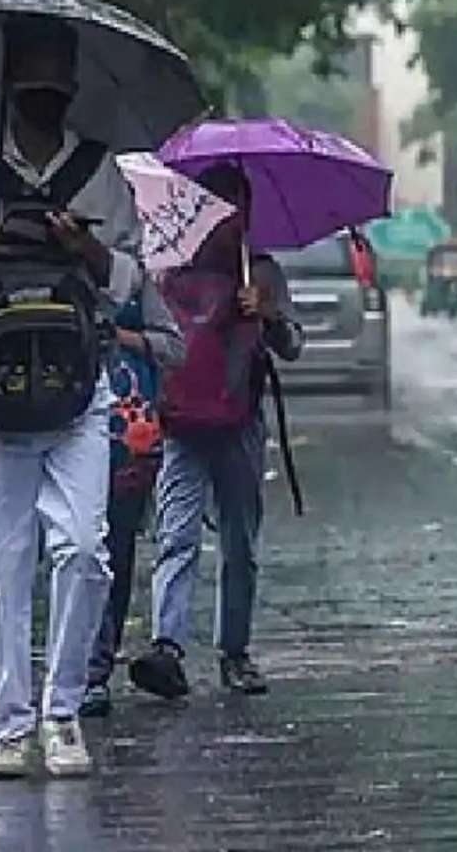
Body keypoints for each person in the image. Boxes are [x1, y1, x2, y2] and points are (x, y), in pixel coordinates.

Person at [0, 16, 143, 778]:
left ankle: (62, 714)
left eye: (56, 87)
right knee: (2, 562)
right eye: (32, 87)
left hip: (79, 388)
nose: (44, 100)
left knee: (85, 549)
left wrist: (90, 251)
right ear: (11, 89)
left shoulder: (100, 175)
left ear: (72, 90)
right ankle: (10, 726)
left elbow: (133, 278)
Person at [129, 162, 303, 700]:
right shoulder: (167, 269)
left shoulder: (263, 272)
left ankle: (234, 651)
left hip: (239, 421)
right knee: (177, 536)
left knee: (237, 543)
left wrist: (268, 315)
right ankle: (168, 647)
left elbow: (292, 345)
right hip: (182, 421)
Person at [79, 272, 184, 718]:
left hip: (128, 439)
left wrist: (120, 336)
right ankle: (70, 667)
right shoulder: (41, 268)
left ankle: (95, 669)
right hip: (59, 422)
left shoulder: (134, 278)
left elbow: (173, 348)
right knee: (70, 547)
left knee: (115, 552)